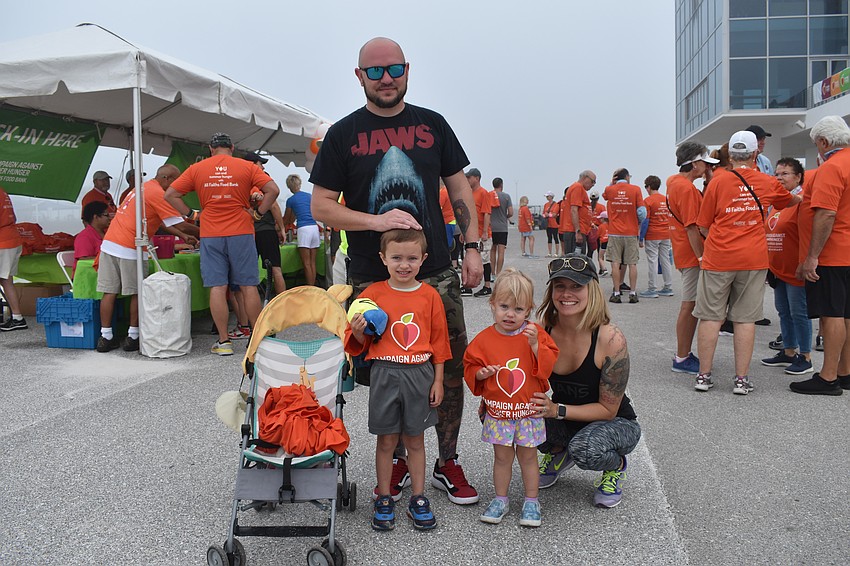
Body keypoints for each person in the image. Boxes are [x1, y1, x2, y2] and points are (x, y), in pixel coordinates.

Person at [309, 37, 483, 506]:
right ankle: (403, 455)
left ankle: (446, 459)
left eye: (394, 69)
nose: (386, 79)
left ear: (407, 70)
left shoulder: (433, 125)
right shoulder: (343, 135)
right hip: (372, 275)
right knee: (384, 372)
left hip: (436, 273)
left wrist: (472, 247)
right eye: (376, 71)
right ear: (359, 76)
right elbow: (322, 207)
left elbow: (459, 191)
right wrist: (375, 221)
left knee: (445, 369)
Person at [344, 229, 449, 531]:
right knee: (387, 439)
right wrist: (360, 329)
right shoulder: (373, 294)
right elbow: (358, 340)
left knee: (415, 439)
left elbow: (440, 342)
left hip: (420, 373)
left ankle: (418, 497)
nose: (404, 264)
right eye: (397, 258)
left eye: (412, 258)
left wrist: (438, 380)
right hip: (385, 373)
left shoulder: (430, 295)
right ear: (383, 258)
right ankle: (384, 496)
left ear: (423, 259)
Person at [693, 131, 799, 394]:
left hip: (718, 257)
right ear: (755, 154)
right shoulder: (766, 181)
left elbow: (703, 225)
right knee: (744, 320)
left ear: (730, 155)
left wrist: (719, 238)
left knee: (710, 318)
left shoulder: (717, 181)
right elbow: (790, 200)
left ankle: (704, 377)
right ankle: (741, 380)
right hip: (752, 258)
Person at [532, 253, 641, 508]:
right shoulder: (542, 328)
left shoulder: (610, 339)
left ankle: (616, 466)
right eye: (560, 286)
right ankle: (558, 453)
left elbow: (608, 409)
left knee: (585, 449)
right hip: (566, 420)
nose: (567, 294)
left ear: (591, 289)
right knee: (513, 415)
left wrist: (554, 410)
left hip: (616, 424)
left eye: (576, 286)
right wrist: (499, 400)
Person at [165, 133, 280, 356]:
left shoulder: (197, 168)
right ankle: (257, 341)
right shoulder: (246, 166)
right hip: (242, 231)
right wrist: (258, 213)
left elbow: (170, 194)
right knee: (248, 285)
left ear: (211, 148)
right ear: (232, 147)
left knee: (218, 286)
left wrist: (193, 215)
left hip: (211, 232)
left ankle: (224, 342)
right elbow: (273, 190)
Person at [463, 268, 558, 527]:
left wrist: (537, 346)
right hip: (499, 412)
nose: (510, 314)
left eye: (518, 309)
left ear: (528, 310)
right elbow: (469, 366)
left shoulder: (534, 334)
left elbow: (549, 365)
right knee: (502, 457)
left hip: (527, 412)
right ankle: (501, 498)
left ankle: (531, 500)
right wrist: (480, 374)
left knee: (528, 457)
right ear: (492, 305)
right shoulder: (484, 340)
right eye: (504, 306)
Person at [97, 164, 199, 353]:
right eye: (176, 182)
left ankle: (105, 337)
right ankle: (133, 336)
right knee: (137, 292)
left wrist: (183, 237)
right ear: (166, 179)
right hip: (131, 247)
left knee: (109, 292)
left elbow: (161, 220)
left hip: (110, 243)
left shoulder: (143, 187)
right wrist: (207, 231)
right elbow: (181, 224)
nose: (178, 188)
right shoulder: (159, 194)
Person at [793, 115, 850, 395]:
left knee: (831, 315)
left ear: (825, 142)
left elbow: (826, 214)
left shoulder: (832, 167)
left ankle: (828, 378)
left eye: (817, 143)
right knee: (847, 315)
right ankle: (845, 372)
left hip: (834, 253)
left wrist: (812, 256)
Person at [760, 158, 812, 376]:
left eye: (785, 174)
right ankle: (788, 351)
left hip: (795, 268)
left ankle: (806, 356)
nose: (779, 178)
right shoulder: (777, 202)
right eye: (777, 174)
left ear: (798, 176)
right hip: (777, 268)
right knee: (783, 311)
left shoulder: (801, 201)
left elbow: (807, 234)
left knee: (799, 313)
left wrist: (805, 262)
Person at [244, 152, 286, 297]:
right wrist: (281, 228)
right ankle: (283, 306)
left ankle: (249, 312)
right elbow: (274, 206)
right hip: (266, 230)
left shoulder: (241, 181)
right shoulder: (264, 180)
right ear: (252, 164)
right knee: (276, 269)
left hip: (247, 232)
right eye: (259, 163)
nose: (262, 166)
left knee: (248, 274)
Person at [602, 168, 646, 303]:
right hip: (631, 231)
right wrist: (637, 222)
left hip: (615, 232)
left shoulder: (610, 190)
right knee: (632, 263)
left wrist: (611, 183)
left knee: (615, 263)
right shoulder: (636, 189)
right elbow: (642, 212)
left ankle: (616, 292)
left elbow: (605, 195)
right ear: (627, 176)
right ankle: (632, 293)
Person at [638, 175, 673, 298]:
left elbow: (645, 221)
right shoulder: (666, 199)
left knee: (652, 261)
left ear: (648, 187)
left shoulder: (648, 201)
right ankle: (668, 286)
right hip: (666, 234)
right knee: (665, 260)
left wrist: (641, 237)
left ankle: (652, 288)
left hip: (653, 234)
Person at [282, 174, 319, 286]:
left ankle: (309, 287)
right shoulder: (309, 196)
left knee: (306, 263)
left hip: (304, 229)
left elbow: (288, 218)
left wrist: (280, 226)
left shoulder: (291, 200)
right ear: (300, 183)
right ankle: (313, 288)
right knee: (313, 262)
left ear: (289, 187)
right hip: (314, 227)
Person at [464, 168, 496, 297]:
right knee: (470, 258)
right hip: (472, 233)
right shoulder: (470, 193)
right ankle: (468, 285)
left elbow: (487, 213)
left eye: (469, 177)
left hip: (482, 233)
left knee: (484, 259)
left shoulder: (484, 193)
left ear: (476, 178)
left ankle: (487, 286)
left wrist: (484, 232)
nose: (467, 180)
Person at [0, 186, 26, 331]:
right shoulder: (3, 192)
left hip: (3, 242)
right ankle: (17, 318)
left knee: (6, 280)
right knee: (6, 280)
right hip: (12, 239)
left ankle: (18, 317)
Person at [560, 170, 595, 256]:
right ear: (585, 178)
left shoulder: (579, 188)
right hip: (574, 232)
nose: (593, 184)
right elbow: (574, 210)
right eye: (592, 181)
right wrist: (577, 231)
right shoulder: (578, 188)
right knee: (576, 262)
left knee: (577, 261)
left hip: (577, 230)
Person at [74, 201, 112, 271]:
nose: (110, 218)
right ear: (96, 217)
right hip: (89, 277)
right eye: (106, 215)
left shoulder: (108, 233)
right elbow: (83, 260)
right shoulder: (84, 236)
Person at [489, 177, 513, 276]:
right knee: (501, 251)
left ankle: (492, 273)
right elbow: (511, 212)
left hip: (491, 227)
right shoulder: (506, 196)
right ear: (501, 185)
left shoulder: (489, 195)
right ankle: (499, 273)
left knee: (492, 250)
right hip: (502, 227)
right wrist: (505, 216)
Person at [542, 191, 560, 257]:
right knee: (549, 238)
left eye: (548, 196)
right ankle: (549, 252)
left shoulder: (556, 205)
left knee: (555, 238)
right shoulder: (546, 205)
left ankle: (556, 252)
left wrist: (548, 214)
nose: (547, 197)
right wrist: (546, 215)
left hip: (554, 224)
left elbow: (554, 214)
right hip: (548, 224)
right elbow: (543, 213)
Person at [596, 211, 609, 275]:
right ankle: (614, 271)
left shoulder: (601, 226)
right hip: (610, 242)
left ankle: (604, 269)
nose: (600, 219)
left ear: (603, 218)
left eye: (601, 218)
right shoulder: (611, 225)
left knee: (600, 257)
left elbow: (597, 235)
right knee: (612, 258)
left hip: (603, 242)